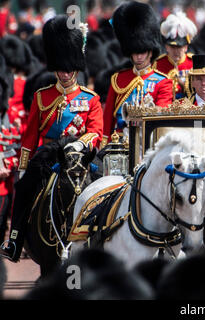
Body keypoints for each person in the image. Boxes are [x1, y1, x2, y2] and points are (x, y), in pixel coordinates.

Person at [0, 15, 103, 262]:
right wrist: (23, 168)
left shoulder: (90, 99)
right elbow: (30, 136)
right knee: (24, 191)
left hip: (80, 160)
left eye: (69, 69)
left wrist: (80, 144)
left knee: (104, 191)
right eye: (61, 68)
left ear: (77, 67)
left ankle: (102, 244)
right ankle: (15, 239)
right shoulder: (41, 96)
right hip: (48, 160)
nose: (65, 74)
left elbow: (96, 132)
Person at [102, 1, 173, 148]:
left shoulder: (163, 81)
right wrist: (104, 144)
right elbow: (108, 118)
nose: (139, 57)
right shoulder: (119, 79)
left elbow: (162, 114)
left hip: (149, 142)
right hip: (119, 144)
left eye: (142, 52)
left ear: (150, 51)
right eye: (135, 52)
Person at [153, 12, 197, 100]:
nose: (176, 51)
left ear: (185, 47)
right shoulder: (158, 64)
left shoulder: (193, 62)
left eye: (179, 47)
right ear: (166, 47)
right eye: (172, 47)